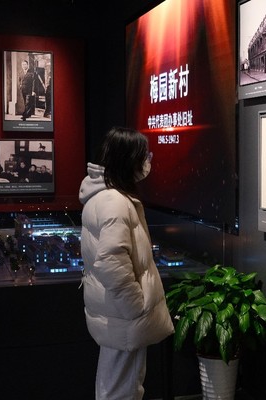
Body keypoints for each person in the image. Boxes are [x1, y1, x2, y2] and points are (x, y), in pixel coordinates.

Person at [78, 126, 173, 399]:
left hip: (115, 313)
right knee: (124, 388)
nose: (148, 162)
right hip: (123, 315)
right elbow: (110, 261)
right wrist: (135, 306)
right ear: (128, 159)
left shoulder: (104, 196)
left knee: (113, 384)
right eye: (144, 156)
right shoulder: (115, 202)